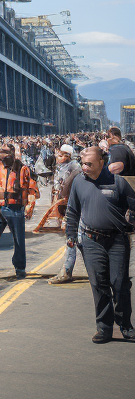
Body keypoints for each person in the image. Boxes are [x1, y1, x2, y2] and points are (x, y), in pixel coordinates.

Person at [65, 146, 135, 343]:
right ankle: (104, 327)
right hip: (91, 242)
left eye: (89, 164)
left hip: (117, 242)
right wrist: (71, 235)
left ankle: (125, 326)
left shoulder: (118, 182)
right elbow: (72, 211)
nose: (84, 167)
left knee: (120, 284)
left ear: (101, 164)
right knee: (99, 284)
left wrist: (132, 224)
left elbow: (134, 204)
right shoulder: (79, 181)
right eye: (82, 163)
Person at [0, 140, 39, 282]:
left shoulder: (23, 169)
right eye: (1, 152)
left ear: (12, 154)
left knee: (18, 241)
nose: (2, 155)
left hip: (15, 209)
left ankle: (20, 268)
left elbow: (31, 188)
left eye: (5, 152)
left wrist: (30, 205)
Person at [47, 144, 83, 284]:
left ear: (67, 155)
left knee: (73, 239)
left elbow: (68, 188)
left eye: (61, 154)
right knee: (72, 239)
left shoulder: (75, 167)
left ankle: (67, 271)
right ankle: (67, 270)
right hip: (64, 206)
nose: (57, 157)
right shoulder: (62, 167)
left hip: (73, 207)